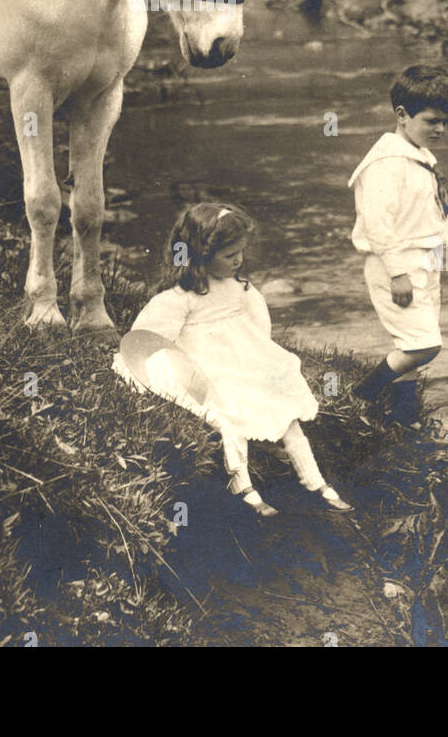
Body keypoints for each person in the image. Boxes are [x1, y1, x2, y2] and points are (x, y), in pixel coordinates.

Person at [113, 202, 352, 517]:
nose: (239, 260)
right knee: (230, 417)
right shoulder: (180, 297)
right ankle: (243, 485)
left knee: (285, 413)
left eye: (241, 252)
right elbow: (149, 338)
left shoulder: (240, 288)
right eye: (230, 255)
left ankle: (316, 480)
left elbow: (258, 327)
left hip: (242, 362)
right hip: (208, 367)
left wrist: (260, 358)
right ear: (200, 254)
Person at [347, 64, 448, 428]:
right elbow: (378, 225)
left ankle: (403, 414)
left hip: (423, 261)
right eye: (432, 121)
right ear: (402, 115)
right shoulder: (385, 164)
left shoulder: (419, 155)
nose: (441, 129)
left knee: (412, 338)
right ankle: (362, 396)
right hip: (396, 264)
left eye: (447, 122)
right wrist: (397, 273)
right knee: (422, 345)